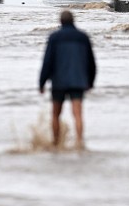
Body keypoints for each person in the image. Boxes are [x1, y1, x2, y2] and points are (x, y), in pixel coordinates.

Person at [39, 10, 96, 150]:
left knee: (55, 114)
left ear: (61, 21)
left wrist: (42, 82)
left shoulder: (54, 37)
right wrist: (90, 81)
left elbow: (47, 61)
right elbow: (91, 62)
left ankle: (56, 143)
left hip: (58, 81)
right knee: (77, 114)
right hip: (78, 80)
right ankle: (79, 142)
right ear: (73, 20)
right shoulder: (83, 37)